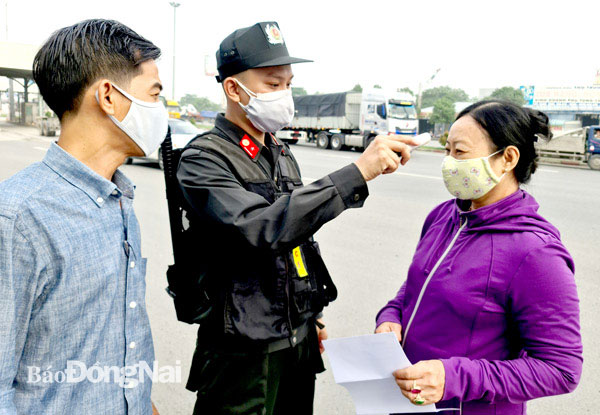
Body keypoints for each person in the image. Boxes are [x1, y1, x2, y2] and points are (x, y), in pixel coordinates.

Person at [175, 21, 416, 415]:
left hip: (296, 340)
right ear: (234, 89)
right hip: (244, 350)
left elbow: (298, 239)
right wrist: (355, 174)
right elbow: (260, 228)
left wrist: (311, 312)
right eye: (273, 85)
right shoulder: (205, 158)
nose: (285, 94)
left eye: (288, 84)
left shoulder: (280, 152)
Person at [0, 19, 166, 414]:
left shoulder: (119, 198)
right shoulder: (18, 218)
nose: (161, 110)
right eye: (155, 94)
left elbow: (116, 335)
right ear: (109, 96)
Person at [376, 100, 583, 414]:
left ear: (507, 158)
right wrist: (391, 316)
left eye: (460, 152)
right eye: (447, 151)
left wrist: (454, 378)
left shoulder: (536, 253)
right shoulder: (445, 215)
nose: (448, 162)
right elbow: (418, 287)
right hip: (410, 402)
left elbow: (560, 370)